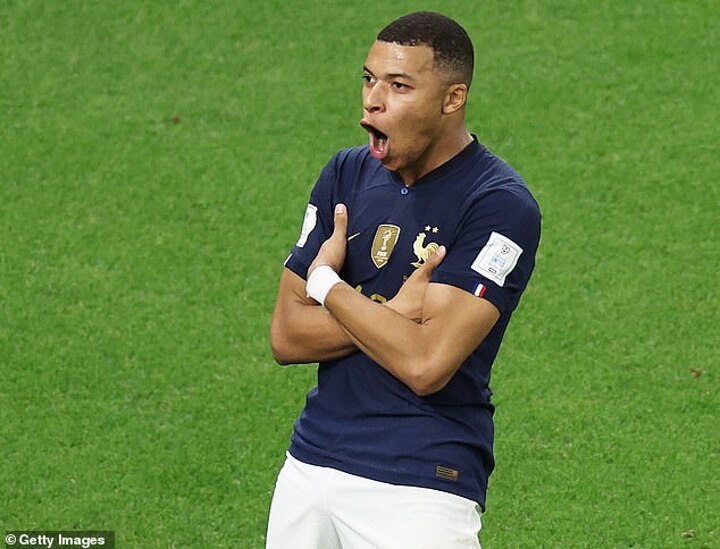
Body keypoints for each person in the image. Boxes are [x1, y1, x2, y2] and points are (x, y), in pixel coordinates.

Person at [266, 11, 541, 548]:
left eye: (398, 85)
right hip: (310, 465)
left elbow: (425, 364)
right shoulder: (347, 173)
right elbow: (286, 336)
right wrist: (390, 312)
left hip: (419, 484)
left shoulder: (499, 205)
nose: (373, 100)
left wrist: (325, 287)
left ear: (452, 99)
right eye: (369, 79)